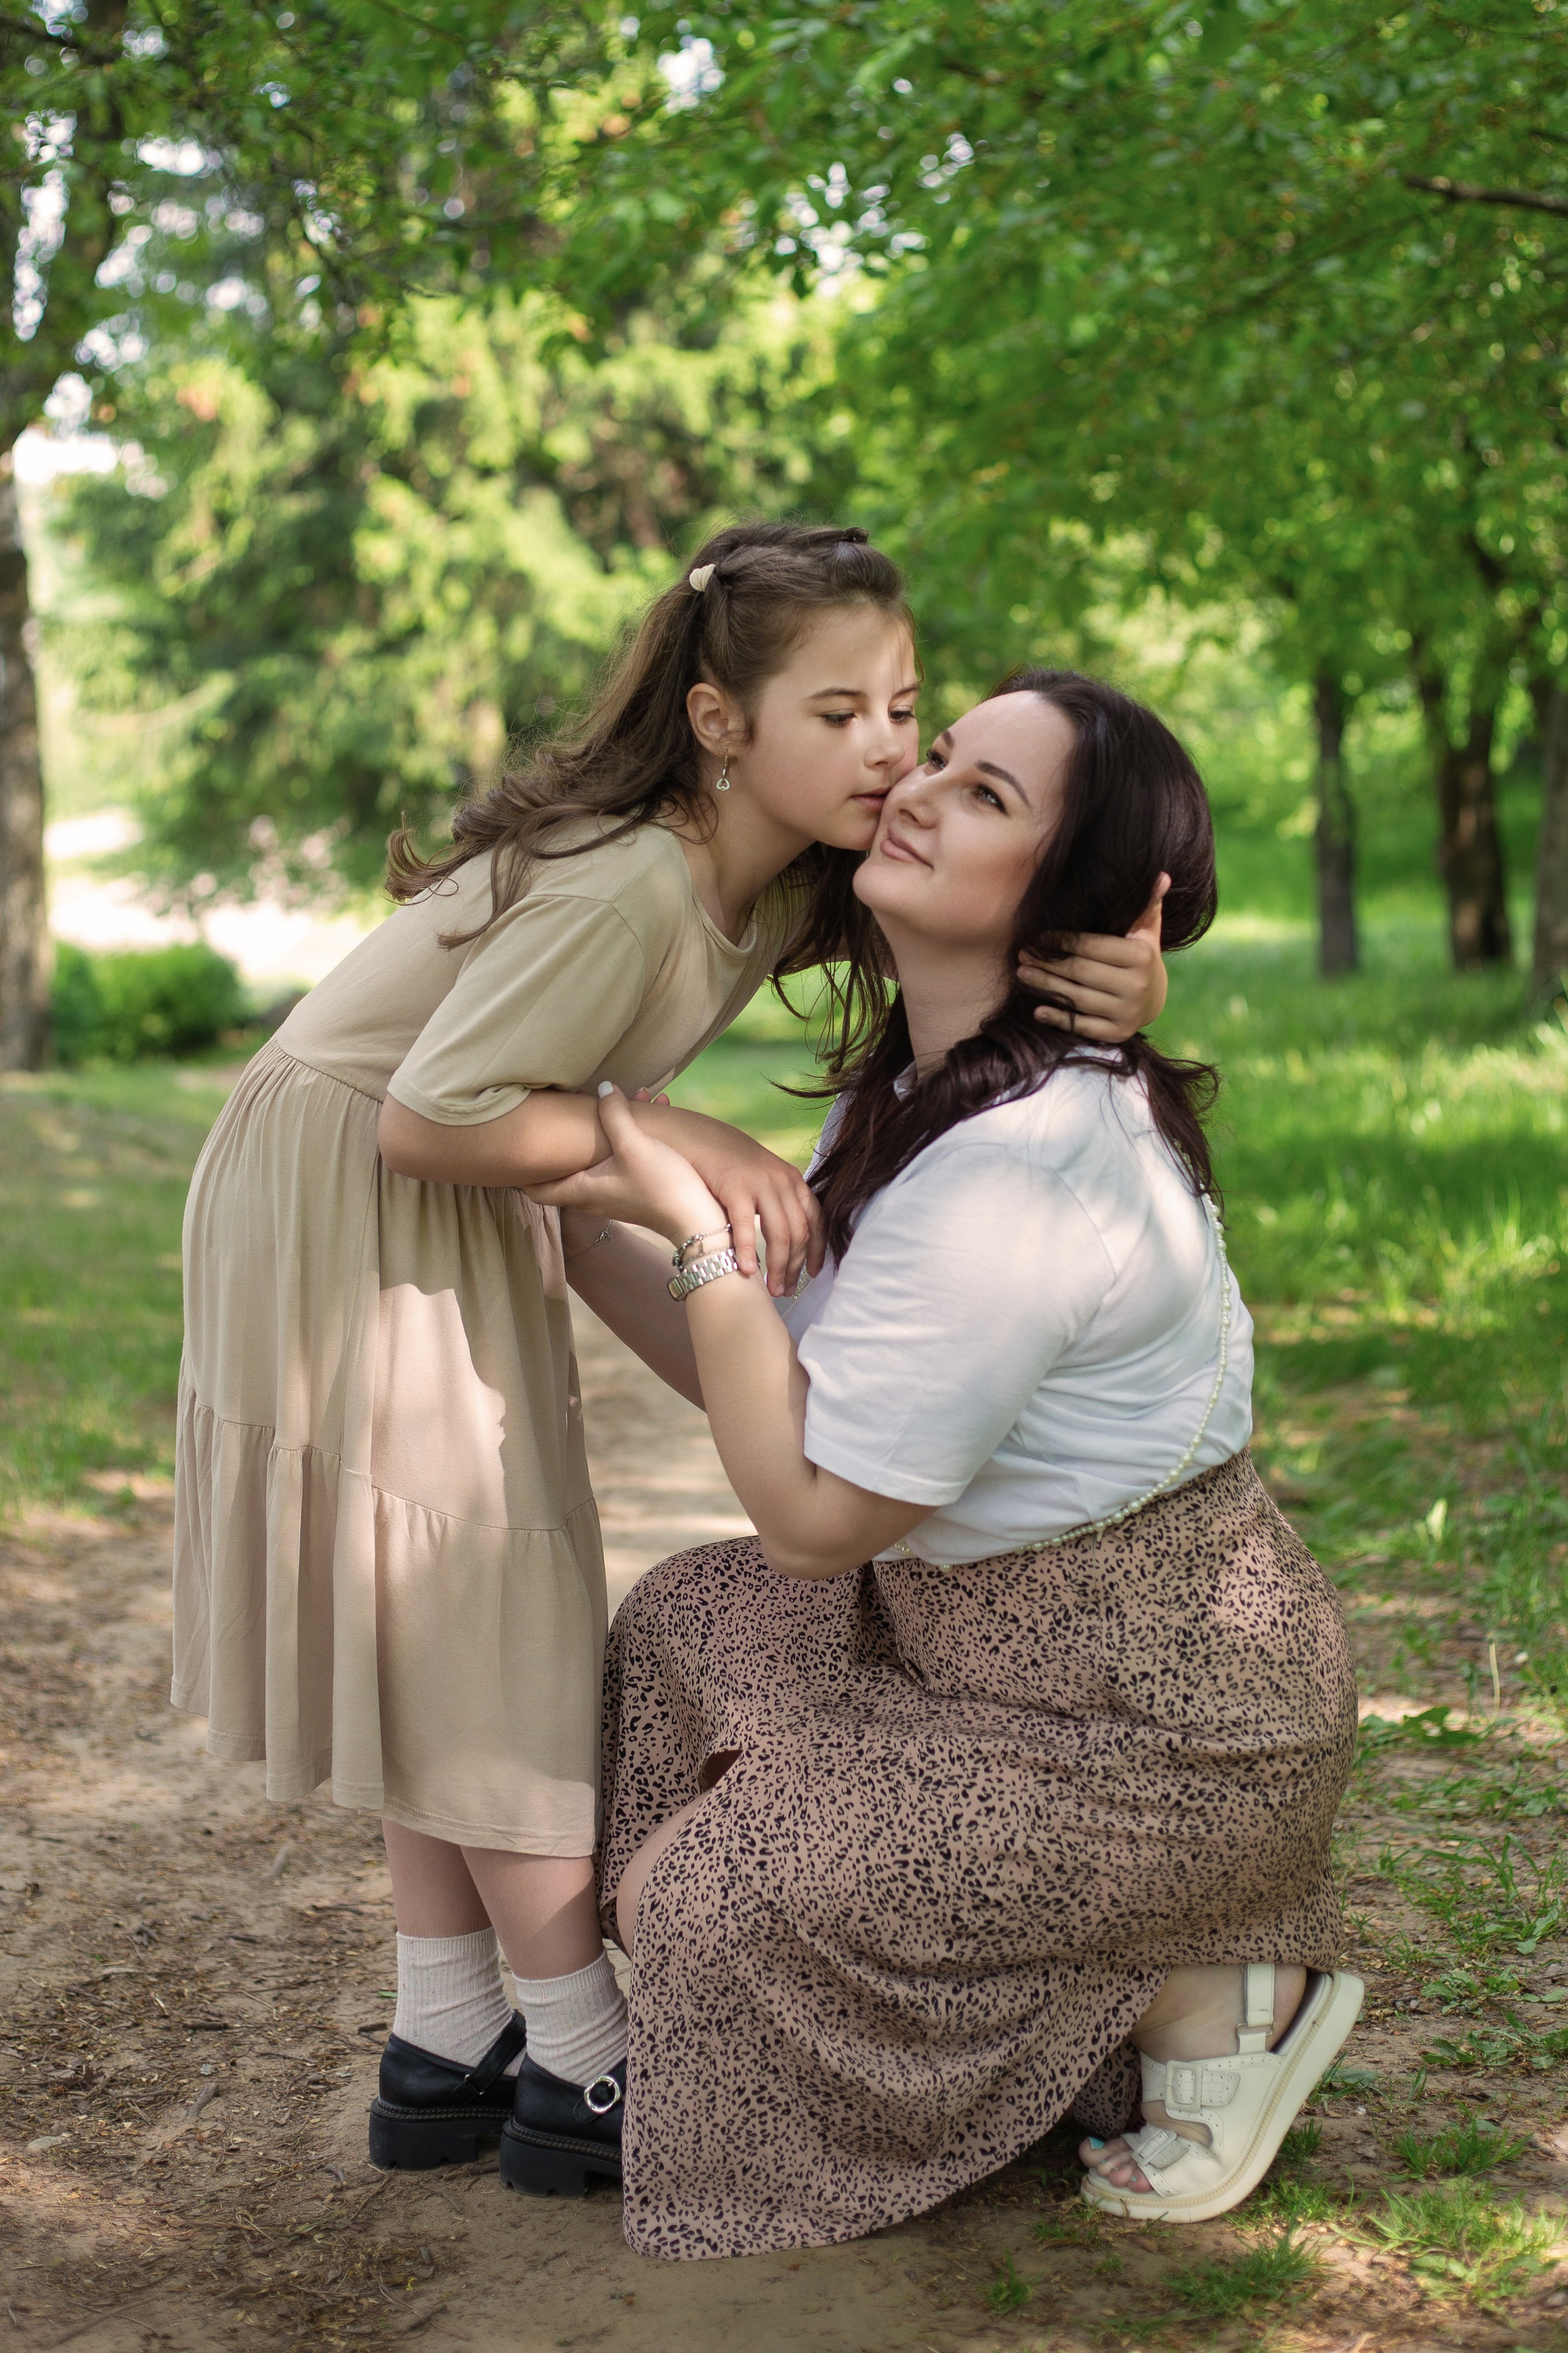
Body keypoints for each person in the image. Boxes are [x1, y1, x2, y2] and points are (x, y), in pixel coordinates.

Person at [171, 527, 1166, 2175]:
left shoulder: (769, 876)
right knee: (494, 1609)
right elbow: (436, 1112)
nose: (888, 751)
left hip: (402, 1190)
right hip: (355, 1187)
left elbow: (985, 920)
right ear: (720, 722)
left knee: (454, 1613)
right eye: (836, 710)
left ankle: (444, 2037)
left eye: (904, 709)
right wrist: (678, 1129)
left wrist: (1127, 961)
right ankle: (582, 2057)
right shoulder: (636, 881)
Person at [533, 669, 1362, 2256]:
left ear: (1078, 909)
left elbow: (812, 1510)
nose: (915, 784)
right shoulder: (909, 1090)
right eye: (944, 756)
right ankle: (1069, 1995)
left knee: (697, 1902)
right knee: (680, 1629)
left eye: (988, 795)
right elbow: (780, 1390)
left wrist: (700, 1230)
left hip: (1155, 1738)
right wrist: (576, 1214)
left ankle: (1201, 1985)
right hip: (962, 1657)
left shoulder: (1028, 1173)